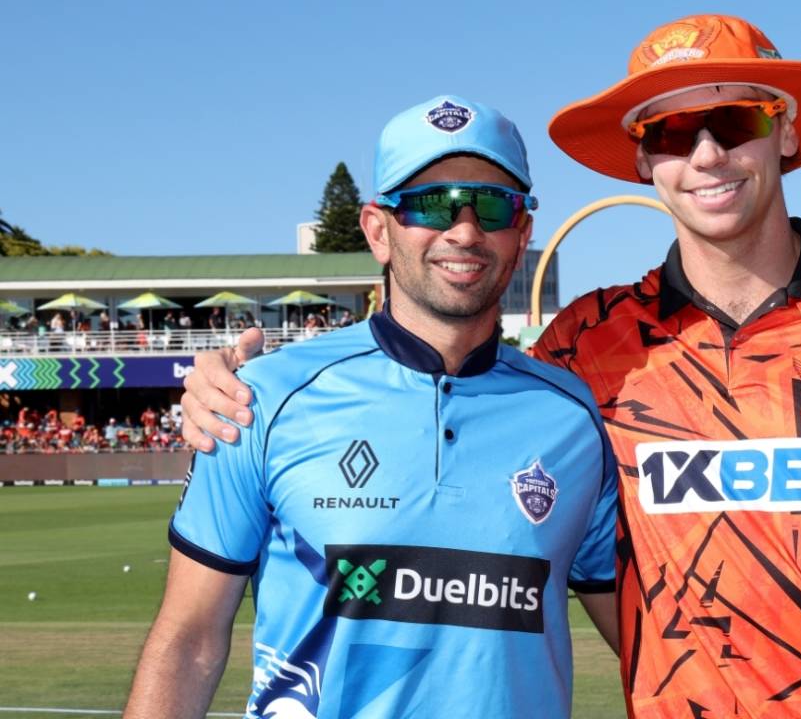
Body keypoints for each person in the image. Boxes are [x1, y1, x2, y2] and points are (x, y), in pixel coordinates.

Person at [180, 15, 801, 718]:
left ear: (787, 133)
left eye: (733, 121)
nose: (707, 156)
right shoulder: (585, 349)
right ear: (644, 158)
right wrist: (222, 381)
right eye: (673, 132)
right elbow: (437, 376)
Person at [126, 96, 619, 719]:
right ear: (378, 230)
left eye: (492, 205)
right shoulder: (260, 398)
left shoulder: (573, 415)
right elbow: (190, 641)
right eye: (429, 205)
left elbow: (646, 639)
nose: (463, 230)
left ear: (521, 236)